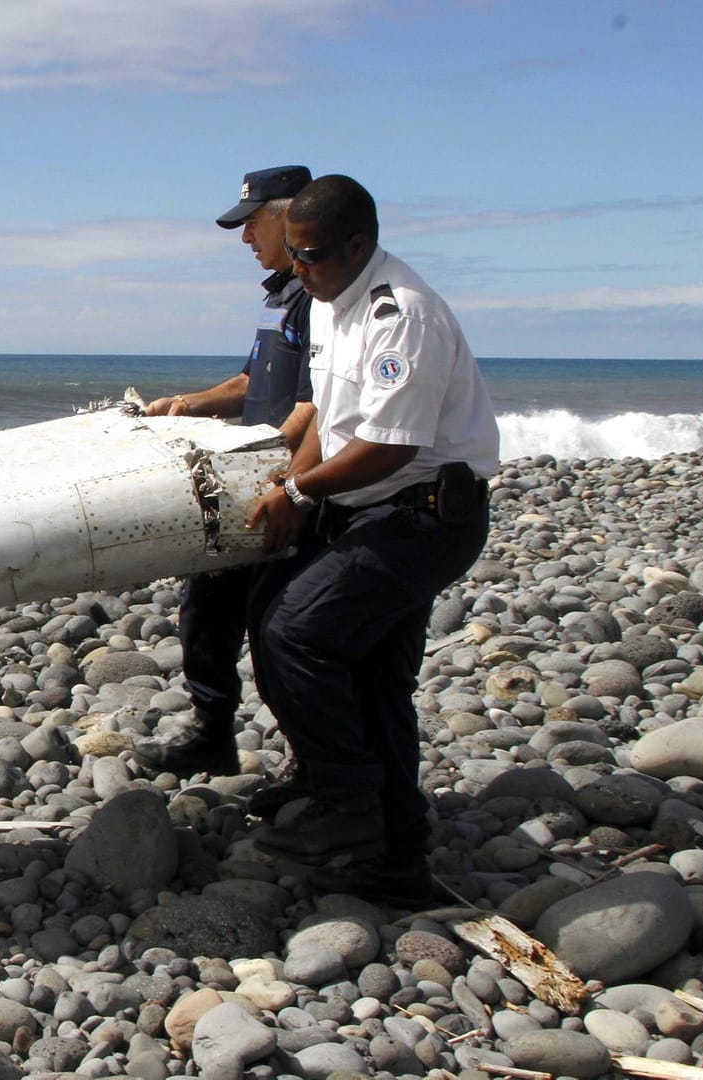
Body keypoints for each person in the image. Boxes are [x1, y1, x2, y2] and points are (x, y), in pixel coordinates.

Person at [246, 175, 499, 904]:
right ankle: (395, 857)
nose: (298, 270)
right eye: (293, 254)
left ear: (359, 245)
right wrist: (295, 489)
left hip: (423, 515)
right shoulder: (331, 300)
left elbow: (390, 445)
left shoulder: (403, 316)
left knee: (298, 634)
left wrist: (297, 492)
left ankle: (345, 804)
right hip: (368, 507)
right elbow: (329, 413)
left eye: (313, 256)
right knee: (366, 673)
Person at [135, 165, 317, 777]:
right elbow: (250, 383)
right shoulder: (279, 297)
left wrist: (282, 480)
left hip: (289, 484)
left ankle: (309, 761)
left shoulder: (322, 300)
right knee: (206, 607)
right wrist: (186, 404)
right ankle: (212, 730)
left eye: (252, 224)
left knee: (280, 630)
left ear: (290, 218)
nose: (244, 240)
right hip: (252, 477)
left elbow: (317, 407)